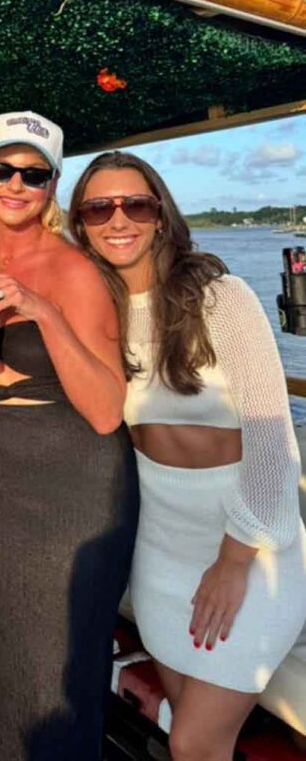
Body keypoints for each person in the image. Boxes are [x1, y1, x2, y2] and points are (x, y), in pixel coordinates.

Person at [68, 151, 306, 761]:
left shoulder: (220, 297)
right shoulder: (98, 312)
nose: (117, 219)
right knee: (187, 734)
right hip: (161, 548)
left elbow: (272, 438)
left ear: (160, 215)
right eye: (98, 207)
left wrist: (234, 558)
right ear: (82, 224)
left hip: (247, 545)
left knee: (195, 742)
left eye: (135, 204)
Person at [0, 112, 138, 760]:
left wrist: (43, 312)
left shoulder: (73, 271)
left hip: (72, 487)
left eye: (32, 175)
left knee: (58, 667)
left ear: (51, 187)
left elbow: (106, 410)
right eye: (0, 168)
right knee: (8, 646)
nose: (13, 184)